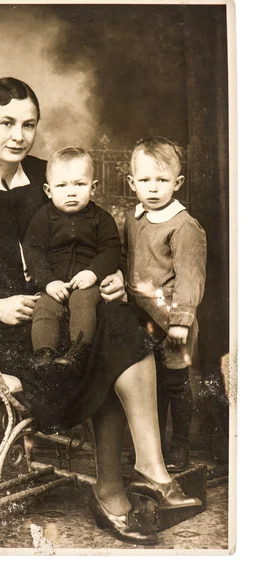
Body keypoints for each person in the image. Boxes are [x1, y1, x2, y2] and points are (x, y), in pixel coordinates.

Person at [0, 78, 201, 546]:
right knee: (111, 339)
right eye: (6, 123)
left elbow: (96, 238)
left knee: (118, 322)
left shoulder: (50, 179)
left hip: (65, 313)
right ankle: (121, 487)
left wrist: (108, 275)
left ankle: (148, 470)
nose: (18, 136)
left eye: (29, 125)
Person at [125, 137, 207, 472]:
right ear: (132, 183)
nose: (153, 188)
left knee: (175, 384)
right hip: (140, 318)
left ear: (178, 182)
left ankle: (180, 447)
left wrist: (181, 320)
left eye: (162, 180)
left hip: (172, 321)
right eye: (145, 180)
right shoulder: (134, 218)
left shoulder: (184, 226)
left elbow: (190, 276)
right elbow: (129, 260)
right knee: (148, 385)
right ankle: (152, 449)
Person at [23, 146, 121, 375]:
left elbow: (111, 249)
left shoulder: (101, 219)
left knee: (82, 301)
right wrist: (48, 282)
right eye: (62, 185)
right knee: (44, 307)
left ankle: (79, 351)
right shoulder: (42, 219)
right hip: (54, 284)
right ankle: (43, 355)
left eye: (79, 184)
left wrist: (93, 273)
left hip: (87, 284)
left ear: (93, 187)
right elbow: (33, 252)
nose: (71, 192)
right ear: (48, 190)